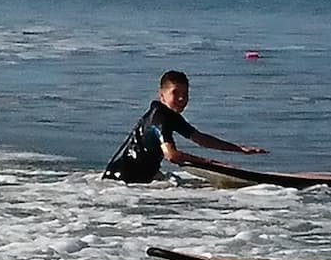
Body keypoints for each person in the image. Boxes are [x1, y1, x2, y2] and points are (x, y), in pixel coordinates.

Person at [103, 69, 266, 183]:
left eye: (185, 94)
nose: (182, 99)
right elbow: (172, 155)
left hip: (129, 179)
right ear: (162, 96)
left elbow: (200, 139)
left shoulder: (170, 116)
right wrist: (208, 162)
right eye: (175, 93)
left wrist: (239, 149)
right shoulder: (160, 118)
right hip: (123, 180)